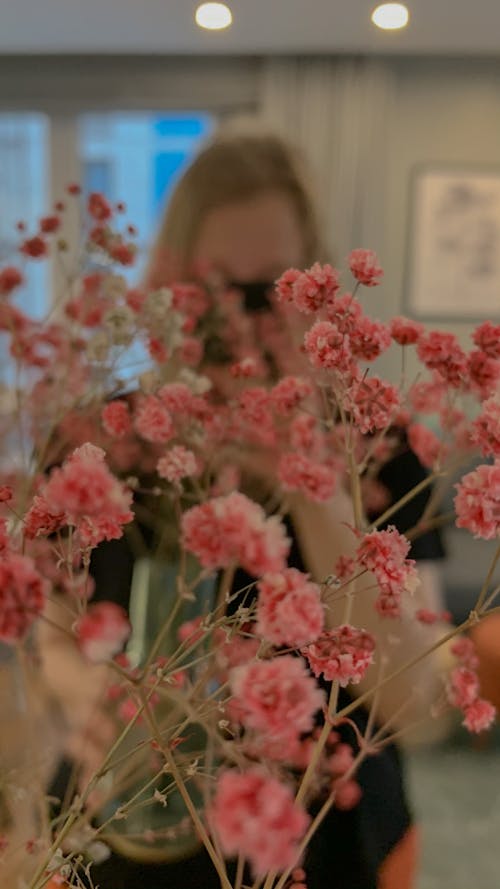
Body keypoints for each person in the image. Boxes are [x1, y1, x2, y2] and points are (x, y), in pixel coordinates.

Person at [41, 128, 450, 889]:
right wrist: (84, 691)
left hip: (327, 837)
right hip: (133, 821)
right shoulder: (104, 442)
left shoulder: (379, 449)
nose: (233, 325)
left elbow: (416, 707)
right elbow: (48, 638)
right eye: (208, 293)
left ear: (312, 295)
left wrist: (309, 479)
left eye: (264, 294)